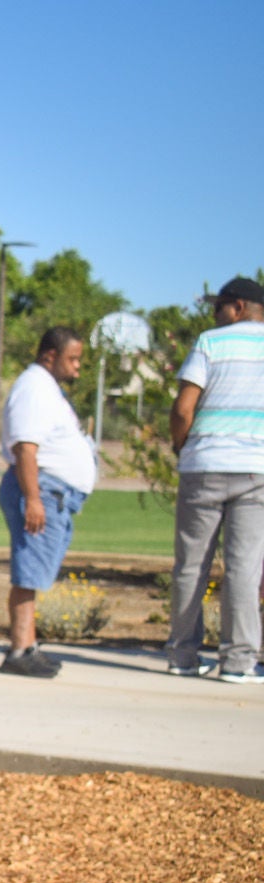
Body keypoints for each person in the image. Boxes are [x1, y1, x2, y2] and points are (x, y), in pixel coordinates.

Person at [167, 276, 264, 683]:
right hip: (256, 468)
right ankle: (239, 663)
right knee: (244, 567)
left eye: (218, 305)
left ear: (238, 306)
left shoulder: (211, 342)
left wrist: (181, 445)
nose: (212, 313)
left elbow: (184, 408)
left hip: (205, 464)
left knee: (192, 564)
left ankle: (183, 656)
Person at [0, 326, 96, 678]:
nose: (77, 367)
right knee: (29, 572)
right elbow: (26, 446)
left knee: (35, 571)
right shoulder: (34, 387)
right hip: (41, 491)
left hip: (51, 492)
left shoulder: (45, 388)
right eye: (72, 359)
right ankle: (19, 651)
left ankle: (29, 645)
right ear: (50, 355)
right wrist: (34, 498)